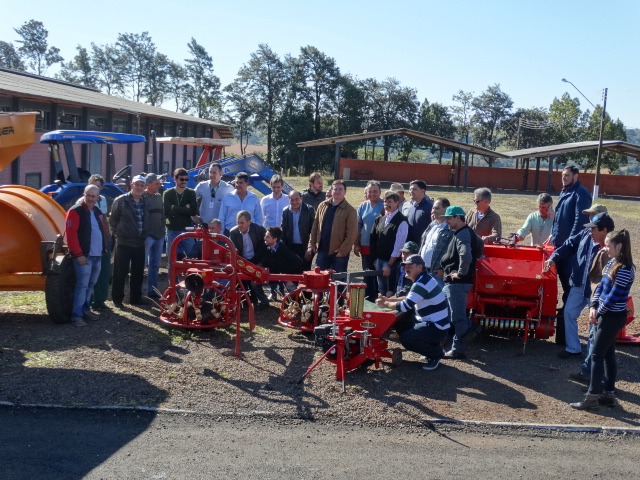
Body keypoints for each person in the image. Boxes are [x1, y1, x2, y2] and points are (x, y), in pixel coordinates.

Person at [570, 229, 635, 410]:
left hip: (612, 317)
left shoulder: (625, 269)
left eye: (608, 245)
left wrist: (597, 314)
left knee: (597, 355)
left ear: (619, 246)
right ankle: (608, 393)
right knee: (607, 354)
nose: (605, 248)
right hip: (606, 315)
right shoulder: (612, 262)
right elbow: (599, 288)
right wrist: (593, 307)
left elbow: (613, 296)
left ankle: (592, 397)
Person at [544, 213, 614, 359]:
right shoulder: (584, 235)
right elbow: (569, 245)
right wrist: (553, 258)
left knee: (595, 320)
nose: (590, 232)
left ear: (604, 230)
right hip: (578, 283)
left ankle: (592, 355)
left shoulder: (612, 248)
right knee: (569, 312)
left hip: (596, 290)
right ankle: (573, 348)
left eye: (594, 229)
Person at [376, 254, 450, 371]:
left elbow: (404, 306)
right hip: (431, 322)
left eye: (410, 266)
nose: (406, 269)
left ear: (420, 267)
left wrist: (384, 304)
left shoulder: (421, 283)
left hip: (437, 327)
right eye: (405, 266)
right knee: (401, 323)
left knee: (406, 339)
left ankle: (435, 354)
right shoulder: (424, 279)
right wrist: (388, 299)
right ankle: (432, 347)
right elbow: (408, 298)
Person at [550, 165, 592, 344]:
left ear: (576, 176)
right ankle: (564, 326)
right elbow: (559, 219)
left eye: (567, 175)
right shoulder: (565, 192)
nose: (563, 178)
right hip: (559, 247)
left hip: (569, 251)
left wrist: (569, 247)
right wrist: (553, 236)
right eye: (562, 175)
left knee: (570, 289)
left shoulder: (580, 194)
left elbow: (579, 222)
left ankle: (567, 334)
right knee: (561, 287)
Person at [439, 205, 484, 359]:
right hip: (456, 283)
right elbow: (480, 245)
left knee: (457, 318)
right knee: (453, 315)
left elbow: (466, 256)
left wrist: (460, 273)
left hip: (457, 283)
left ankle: (459, 348)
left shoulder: (462, 234)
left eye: (449, 219)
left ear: (458, 218)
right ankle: (469, 331)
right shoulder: (467, 232)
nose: (446, 222)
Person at [66, 184, 108, 326]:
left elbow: (103, 231)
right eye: (88, 195)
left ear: (97, 198)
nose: (90, 198)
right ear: (84, 194)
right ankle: (76, 315)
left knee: (91, 284)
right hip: (84, 256)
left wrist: (104, 249)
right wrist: (79, 254)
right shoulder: (75, 211)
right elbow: (71, 236)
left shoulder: (98, 212)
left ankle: (85, 310)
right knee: (82, 285)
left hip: (97, 255)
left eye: (93, 196)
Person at [110, 175, 149, 307]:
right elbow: (113, 220)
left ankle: (135, 298)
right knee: (120, 272)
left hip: (139, 243)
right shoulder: (121, 201)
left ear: (145, 187)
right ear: (131, 185)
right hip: (124, 243)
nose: (139, 187)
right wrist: (118, 234)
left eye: (141, 185)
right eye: (136, 185)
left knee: (138, 273)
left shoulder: (146, 201)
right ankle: (117, 300)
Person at [307, 180, 358, 273]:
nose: (337, 192)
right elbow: (315, 226)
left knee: (338, 282)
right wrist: (312, 244)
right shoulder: (322, 206)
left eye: (340, 189)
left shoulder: (350, 211)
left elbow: (352, 234)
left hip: (339, 253)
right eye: (335, 189)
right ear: (331, 191)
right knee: (320, 279)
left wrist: (343, 250)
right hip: (322, 250)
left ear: (345, 192)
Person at [370, 190, 408, 297]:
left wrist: (389, 265)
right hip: (379, 260)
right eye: (385, 202)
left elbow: (399, 246)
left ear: (397, 203)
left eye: (390, 202)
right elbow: (375, 239)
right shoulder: (381, 218)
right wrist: (376, 258)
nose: (387, 204)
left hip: (392, 263)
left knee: (390, 290)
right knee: (381, 288)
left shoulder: (402, 221)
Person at [228, 210, 269, 310]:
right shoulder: (233, 232)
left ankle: (263, 301)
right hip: (242, 260)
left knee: (254, 282)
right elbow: (233, 251)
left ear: (249, 222)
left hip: (256, 259)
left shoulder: (259, 230)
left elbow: (265, 249)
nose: (239, 225)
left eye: (242, 223)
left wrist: (261, 263)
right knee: (242, 280)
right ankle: (249, 300)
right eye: (238, 222)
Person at [354, 180, 383, 300]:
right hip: (365, 245)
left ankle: (379, 298)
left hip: (380, 247)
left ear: (380, 192)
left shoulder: (384, 205)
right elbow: (358, 227)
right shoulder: (362, 206)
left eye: (375, 191)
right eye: (370, 192)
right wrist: (356, 244)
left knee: (379, 275)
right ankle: (368, 298)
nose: (372, 194)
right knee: (367, 273)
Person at [86, 174, 110, 310]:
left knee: (103, 271)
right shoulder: (81, 203)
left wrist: (108, 237)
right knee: (89, 273)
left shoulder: (103, 200)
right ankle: (88, 302)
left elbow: (104, 219)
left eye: (98, 186)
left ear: (102, 188)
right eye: (92, 185)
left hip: (103, 239)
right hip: (90, 241)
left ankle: (100, 300)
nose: (95, 189)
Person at [419, 197, 453, 288]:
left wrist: (444, 270)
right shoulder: (432, 225)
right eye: (433, 208)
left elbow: (453, 253)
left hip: (438, 274)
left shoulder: (451, 229)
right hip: (424, 271)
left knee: (439, 300)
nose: (433, 210)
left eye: (437, 208)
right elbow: (423, 245)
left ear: (446, 210)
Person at [164, 168, 198, 260]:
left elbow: (193, 211)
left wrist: (174, 207)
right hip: (172, 230)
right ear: (175, 179)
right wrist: (185, 209)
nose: (184, 181)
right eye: (181, 179)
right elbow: (167, 213)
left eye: (186, 179)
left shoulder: (191, 192)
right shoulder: (168, 193)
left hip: (187, 229)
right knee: (171, 260)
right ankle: (173, 275)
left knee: (193, 259)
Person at [143, 173, 165, 299]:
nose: (159, 186)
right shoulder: (143, 197)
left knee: (155, 265)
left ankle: (152, 290)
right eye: (157, 183)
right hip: (148, 236)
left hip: (159, 236)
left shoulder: (158, 197)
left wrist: (162, 231)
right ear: (149, 184)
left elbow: (162, 215)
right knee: (142, 264)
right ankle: (139, 290)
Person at [281, 190, 315, 270]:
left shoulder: (309, 210)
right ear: (289, 200)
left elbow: (314, 230)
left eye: (297, 199)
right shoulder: (285, 211)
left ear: (301, 198)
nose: (294, 202)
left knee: (306, 270)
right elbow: (283, 229)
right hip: (291, 247)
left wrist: (310, 248)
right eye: (292, 200)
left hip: (305, 247)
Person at [194, 163, 233, 229]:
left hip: (220, 227)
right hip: (204, 225)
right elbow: (190, 199)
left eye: (214, 173)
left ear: (220, 173)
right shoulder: (202, 186)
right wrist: (193, 215)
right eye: (210, 172)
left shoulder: (228, 188)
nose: (211, 175)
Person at [406, 180, 433, 244]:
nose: (411, 192)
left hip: (423, 245)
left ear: (423, 191)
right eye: (410, 189)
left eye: (414, 189)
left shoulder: (430, 207)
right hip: (410, 246)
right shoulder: (411, 207)